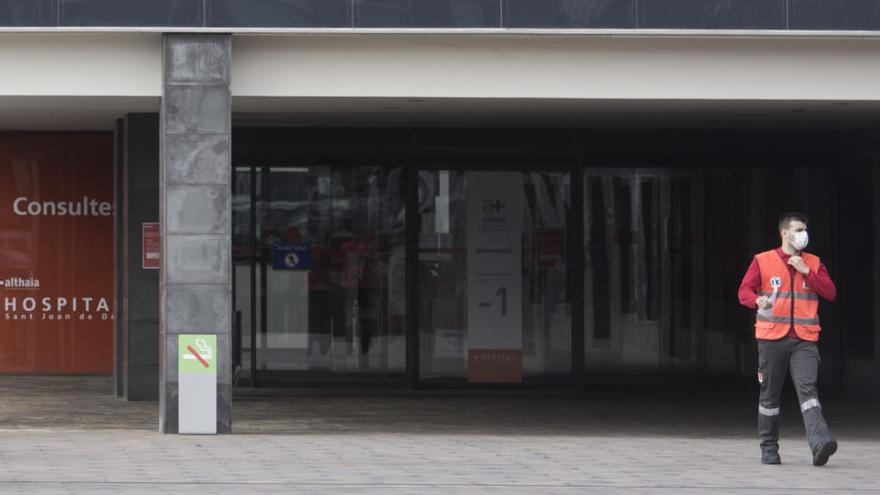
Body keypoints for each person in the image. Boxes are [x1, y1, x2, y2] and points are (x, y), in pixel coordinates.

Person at [738, 212, 837, 466]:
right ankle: (769, 448)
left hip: (804, 340)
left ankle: (819, 443)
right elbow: (744, 291)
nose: (804, 233)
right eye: (799, 229)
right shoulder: (763, 261)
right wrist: (755, 300)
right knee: (769, 396)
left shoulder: (813, 263)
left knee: (808, 391)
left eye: (805, 229)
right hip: (772, 339)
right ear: (785, 233)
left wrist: (807, 273)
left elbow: (830, 292)